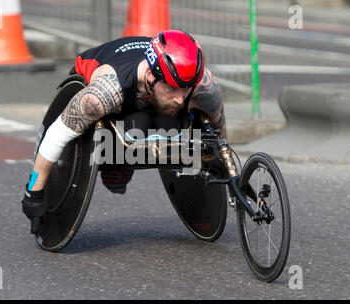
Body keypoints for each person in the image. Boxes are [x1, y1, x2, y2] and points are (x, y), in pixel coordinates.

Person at [21, 30, 227, 234]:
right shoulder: (104, 93)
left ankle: (128, 156)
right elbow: (56, 135)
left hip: (145, 96)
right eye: (172, 89)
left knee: (168, 119)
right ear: (150, 76)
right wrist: (34, 192)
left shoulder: (203, 86)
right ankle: (117, 166)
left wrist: (217, 157)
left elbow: (219, 128)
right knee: (135, 131)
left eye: (186, 89)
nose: (180, 98)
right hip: (111, 85)